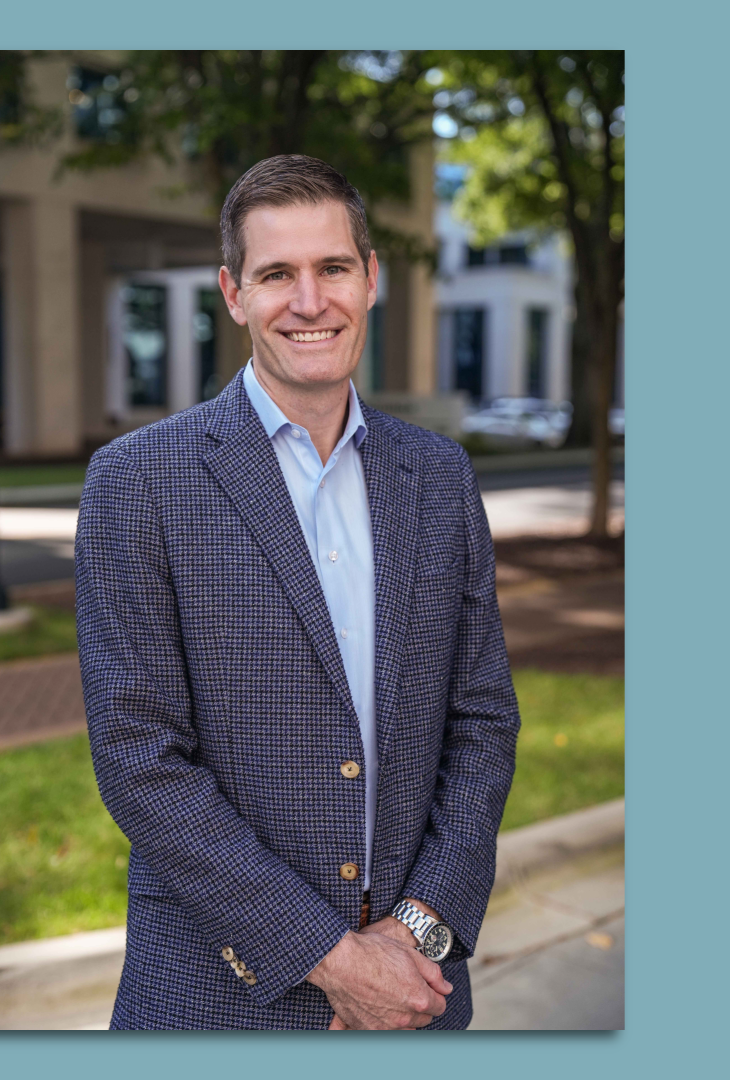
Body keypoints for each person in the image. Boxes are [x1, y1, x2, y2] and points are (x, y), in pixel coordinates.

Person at [76, 154, 520, 1030]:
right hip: (216, 1001)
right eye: (277, 273)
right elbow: (140, 759)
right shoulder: (139, 482)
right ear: (233, 293)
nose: (309, 301)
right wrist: (337, 960)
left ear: (371, 279)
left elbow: (482, 721)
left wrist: (417, 937)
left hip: (415, 1001)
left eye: (334, 268)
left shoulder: (439, 477)